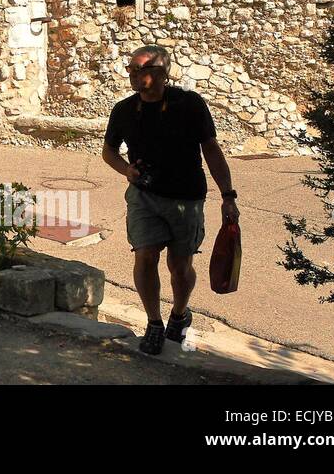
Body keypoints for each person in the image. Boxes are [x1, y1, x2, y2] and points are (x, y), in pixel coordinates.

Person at [101, 45, 240, 355]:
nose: (133, 76)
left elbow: (211, 150)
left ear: (163, 74)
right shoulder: (123, 110)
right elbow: (108, 151)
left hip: (186, 198)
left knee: (180, 267)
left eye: (141, 70)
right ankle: (153, 323)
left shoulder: (189, 105)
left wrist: (228, 196)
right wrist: (127, 170)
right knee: (145, 256)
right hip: (144, 197)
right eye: (131, 70)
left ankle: (179, 313)